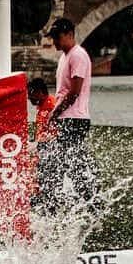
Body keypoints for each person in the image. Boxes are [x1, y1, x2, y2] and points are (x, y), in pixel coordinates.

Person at [41, 17, 99, 214]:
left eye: (57, 37)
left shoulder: (78, 56)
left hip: (75, 118)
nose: (55, 42)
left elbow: (74, 92)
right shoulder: (64, 57)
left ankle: (90, 205)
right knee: (67, 163)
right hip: (67, 118)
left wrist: (54, 112)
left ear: (70, 34)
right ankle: (84, 202)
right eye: (53, 38)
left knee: (68, 163)